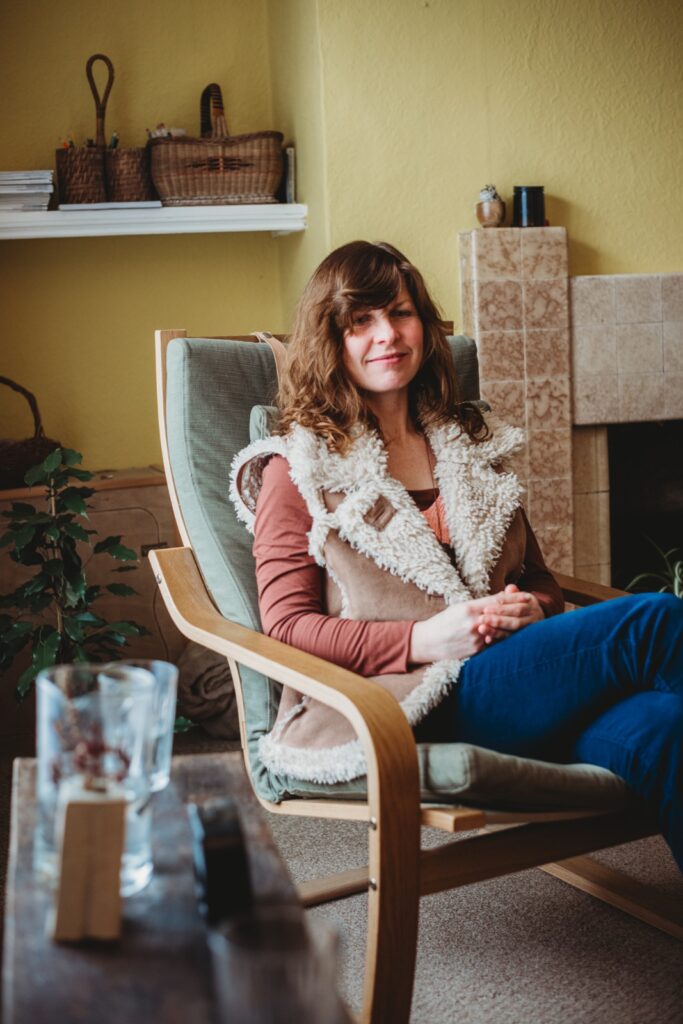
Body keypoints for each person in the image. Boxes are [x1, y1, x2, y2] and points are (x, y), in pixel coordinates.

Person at [230, 240, 683, 872]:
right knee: (658, 621)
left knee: (665, 725)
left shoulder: (470, 447)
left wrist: (534, 609)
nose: (386, 334)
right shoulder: (298, 466)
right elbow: (287, 629)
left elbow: (540, 581)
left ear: (425, 324)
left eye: (401, 313)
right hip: (409, 701)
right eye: (360, 321)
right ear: (330, 339)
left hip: (517, 681)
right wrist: (422, 640)